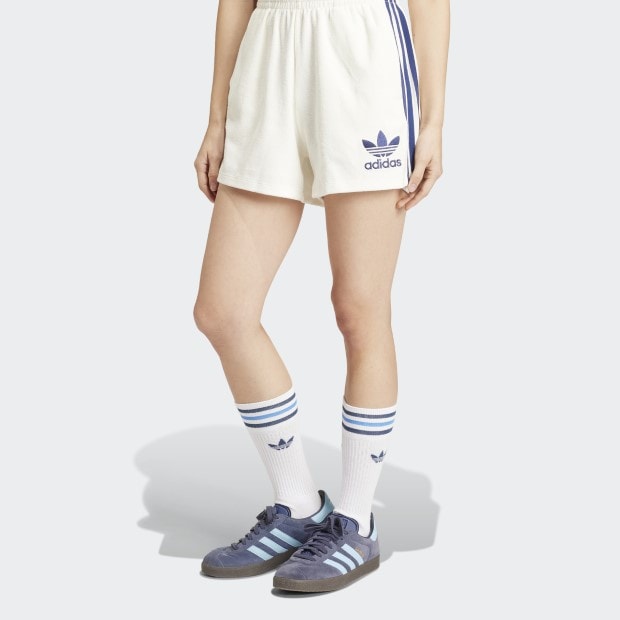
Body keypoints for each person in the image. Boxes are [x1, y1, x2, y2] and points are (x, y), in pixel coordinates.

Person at [192, 0, 449, 593]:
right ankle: (300, 505)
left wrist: (433, 121)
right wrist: (216, 118)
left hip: (362, 55)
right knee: (223, 312)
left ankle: (356, 521)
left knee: (360, 309)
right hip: (268, 54)